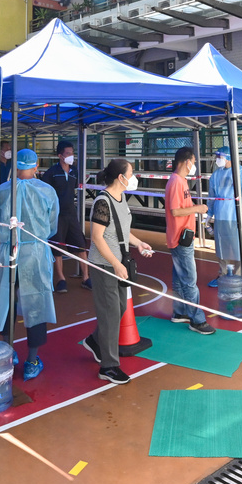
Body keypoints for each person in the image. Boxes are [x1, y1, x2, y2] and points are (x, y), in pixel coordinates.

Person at [0, 149, 59, 380]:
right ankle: (32, 360)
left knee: (6, 301)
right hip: (35, 253)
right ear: (36, 166)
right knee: (36, 303)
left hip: (7, 252)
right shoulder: (47, 191)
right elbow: (52, 224)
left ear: (15, 167)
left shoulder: (2, 190)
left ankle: (8, 351)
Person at [80, 159, 158, 384]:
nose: (134, 177)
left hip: (118, 263)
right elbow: (97, 237)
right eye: (131, 173)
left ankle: (95, 341)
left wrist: (139, 243)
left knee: (120, 307)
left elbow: (122, 230)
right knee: (110, 313)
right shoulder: (103, 202)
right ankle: (109, 366)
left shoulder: (121, 199)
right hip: (105, 266)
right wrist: (115, 263)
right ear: (120, 177)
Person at [164, 147, 215, 334]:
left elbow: (181, 206)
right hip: (181, 237)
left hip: (181, 236)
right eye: (193, 162)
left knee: (180, 278)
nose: (194, 165)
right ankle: (197, 319)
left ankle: (180, 312)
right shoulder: (176, 182)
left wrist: (194, 207)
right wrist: (197, 209)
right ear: (187, 162)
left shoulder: (181, 181)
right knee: (189, 280)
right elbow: (175, 211)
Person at [41, 140, 89, 291]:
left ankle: (86, 277)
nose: (71, 156)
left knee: (80, 245)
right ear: (60, 156)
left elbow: (76, 187)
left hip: (71, 214)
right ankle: (61, 279)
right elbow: (44, 192)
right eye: (68, 153)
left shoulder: (74, 171)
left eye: (72, 153)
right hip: (57, 215)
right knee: (57, 248)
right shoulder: (51, 172)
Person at [206, 146, 242, 287]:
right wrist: (209, 213)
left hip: (236, 216)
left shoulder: (241, 173)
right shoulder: (216, 175)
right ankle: (222, 275)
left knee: (238, 247)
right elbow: (212, 195)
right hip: (221, 215)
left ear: (228, 157)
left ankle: (238, 276)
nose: (217, 160)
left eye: (219, 157)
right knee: (221, 247)